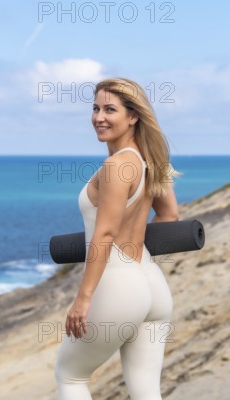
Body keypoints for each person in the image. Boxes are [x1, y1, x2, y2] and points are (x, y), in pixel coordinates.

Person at [55, 77, 182, 399]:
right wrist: (134, 241)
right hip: (152, 285)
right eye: (96, 108)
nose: (99, 117)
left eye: (110, 109)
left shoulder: (116, 166)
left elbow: (106, 233)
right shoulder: (150, 162)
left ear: (133, 116)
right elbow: (170, 216)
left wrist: (83, 298)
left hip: (118, 286)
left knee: (71, 377)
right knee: (145, 390)